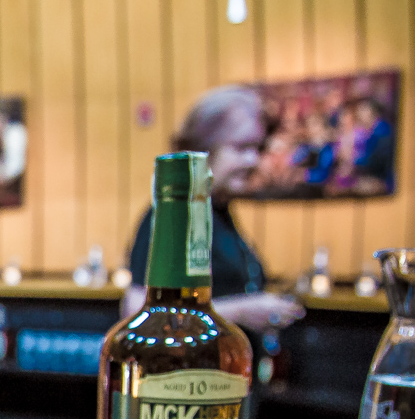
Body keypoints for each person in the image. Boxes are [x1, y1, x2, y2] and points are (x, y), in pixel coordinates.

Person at [123, 85, 304, 334]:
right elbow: (137, 313)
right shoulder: (178, 216)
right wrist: (241, 312)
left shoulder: (220, 211)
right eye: (241, 148)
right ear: (204, 149)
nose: (253, 160)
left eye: (258, 149)